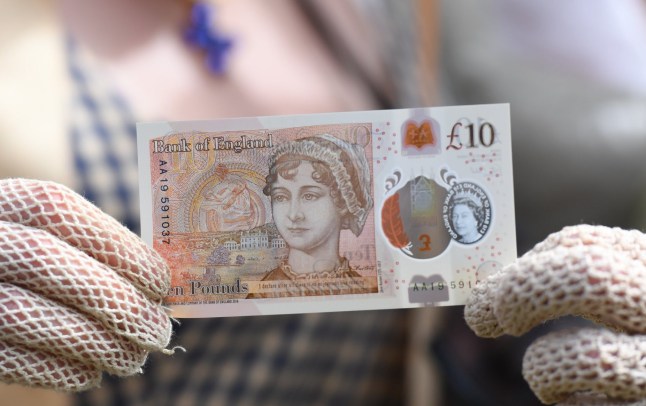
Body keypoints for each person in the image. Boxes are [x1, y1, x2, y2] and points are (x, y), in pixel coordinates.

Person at [249, 135, 377, 298]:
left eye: (309, 196)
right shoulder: (261, 296)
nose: (294, 215)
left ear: (344, 203)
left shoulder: (367, 293)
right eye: (281, 197)